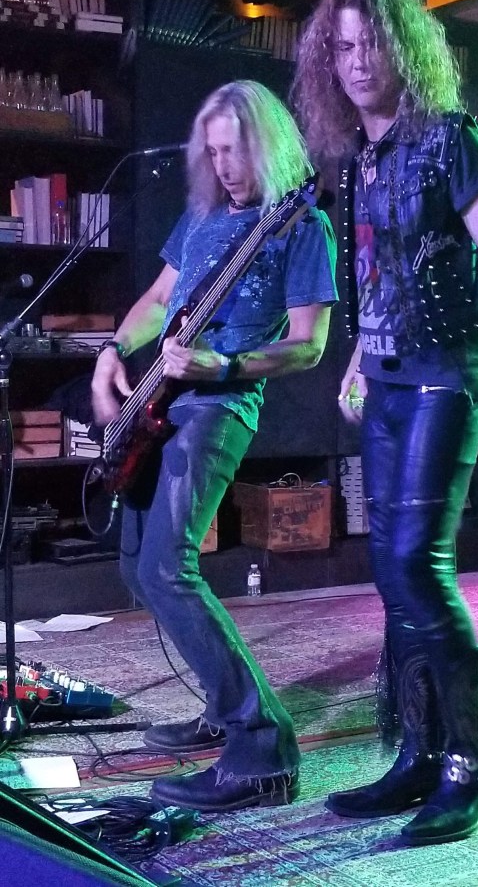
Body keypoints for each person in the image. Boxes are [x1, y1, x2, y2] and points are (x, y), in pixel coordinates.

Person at [291, 0, 478, 845]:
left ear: (403, 51)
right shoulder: (358, 160)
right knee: (392, 573)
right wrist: (357, 358)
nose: (356, 63)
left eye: (370, 45)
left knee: (416, 565)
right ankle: (421, 753)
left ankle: (476, 763)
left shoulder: (449, 138)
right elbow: (376, 277)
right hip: (387, 379)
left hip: (448, 373)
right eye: (341, 48)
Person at [91, 80, 337, 811]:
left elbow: (309, 345)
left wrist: (223, 365)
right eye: (214, 152)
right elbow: (158, 300)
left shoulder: (300, 227)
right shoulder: (201, 215)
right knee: (137, 567)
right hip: (158, 403)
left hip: (219, 406)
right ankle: (222, 705)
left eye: (235, 151)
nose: (224, 167)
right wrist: (113, 349)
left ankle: (261, 746)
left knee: (168, 567)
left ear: (269, 147)